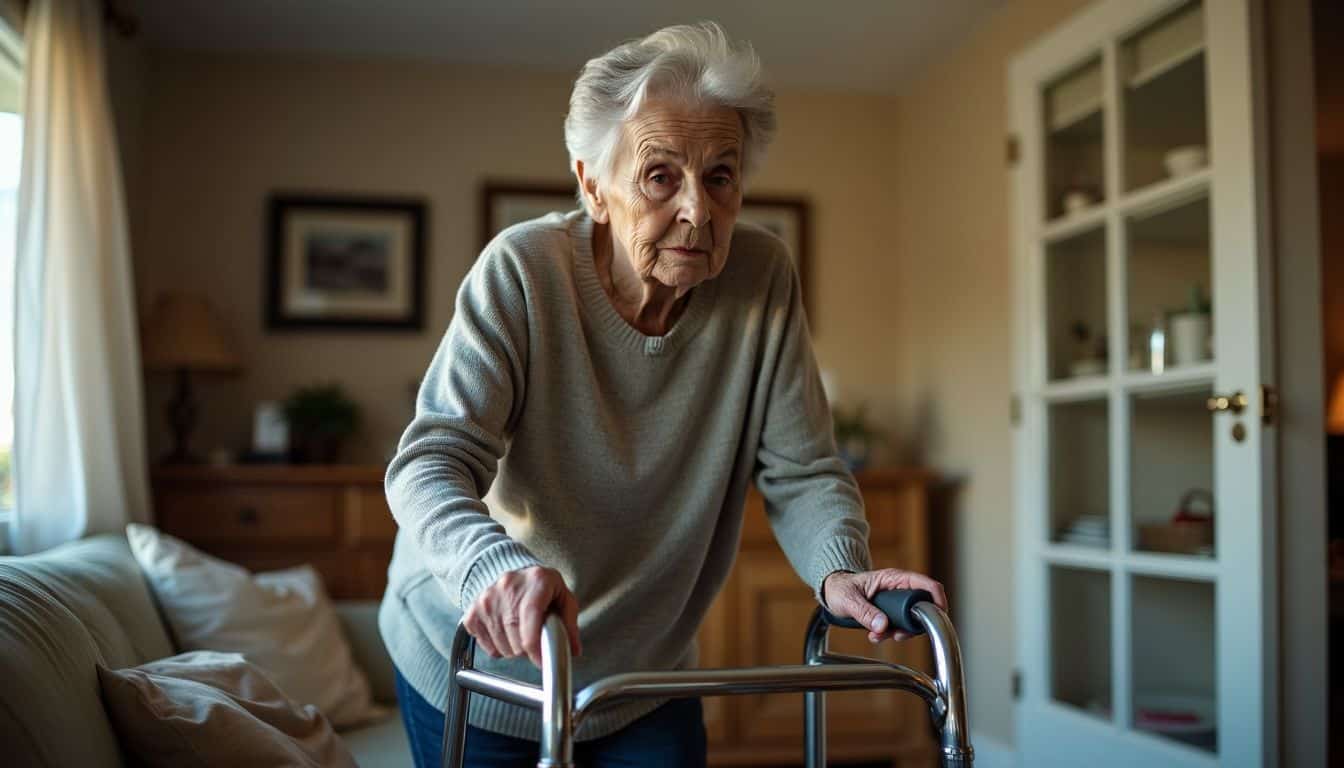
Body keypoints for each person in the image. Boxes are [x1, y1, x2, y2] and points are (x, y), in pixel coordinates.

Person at [379, 21, 947, 768]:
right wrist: (496, 570)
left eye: (720, 175)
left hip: (646, 671)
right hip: (487, 656)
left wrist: (842, 569)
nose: (697, 210)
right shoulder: (522, 272)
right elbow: (429, 463)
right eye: (660, 175)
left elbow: (802, 468)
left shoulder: (762, 278)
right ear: (592, 185)